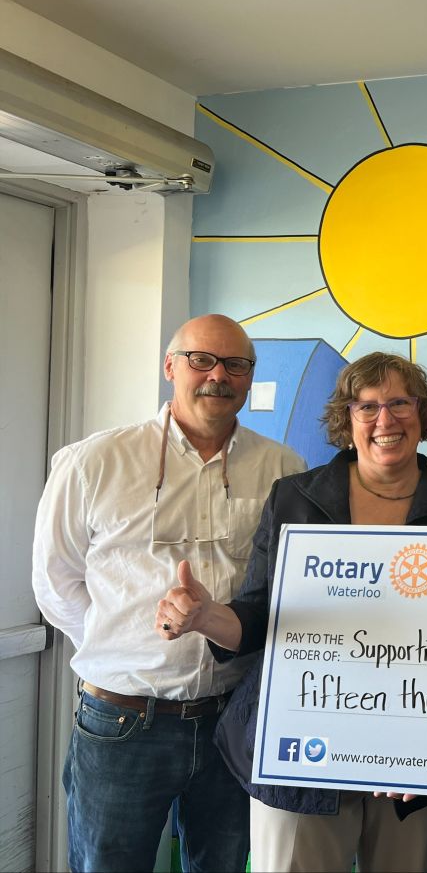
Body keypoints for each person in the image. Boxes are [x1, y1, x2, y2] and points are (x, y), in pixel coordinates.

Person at [155, 352, 427, 872]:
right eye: (368, 406)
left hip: (416, 749)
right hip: (302, 745)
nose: (385, 420)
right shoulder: (296, 499)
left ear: (422, 414)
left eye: (400, 403)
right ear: (347, 418)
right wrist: (203, 618)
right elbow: (259, 613)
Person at [31, 314, 305, 872]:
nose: (217, 376)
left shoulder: (284, 469)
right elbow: (55, 581)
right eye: (201, 360)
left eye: (235, 364)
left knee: (223, 865)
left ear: (250, 378)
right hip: (124, 722)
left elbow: (283, 589)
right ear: (170, 367)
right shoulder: (93, 462)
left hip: (234, 718)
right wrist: (126, 646)